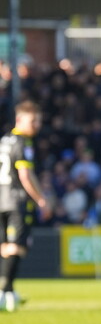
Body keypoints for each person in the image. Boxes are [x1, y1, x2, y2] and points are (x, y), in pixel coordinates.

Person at [0, 101, 51, 312]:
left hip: (1, 198)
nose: (36, 125)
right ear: (19, 119)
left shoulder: (4, 140)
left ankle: (8, 292)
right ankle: (5, 292)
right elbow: (25, 176)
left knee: (4, 248)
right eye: (33, 121)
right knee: (16, 247)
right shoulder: (23, 143)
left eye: (38, 121)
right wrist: (41, 200)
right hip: (16, 200)